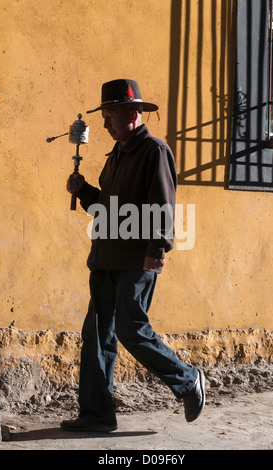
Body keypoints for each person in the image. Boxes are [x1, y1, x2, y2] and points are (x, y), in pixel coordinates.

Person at [60, 79, 205, 433]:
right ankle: (96, 414)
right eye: (104, 115)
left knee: (130, 328)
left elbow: (163, 203)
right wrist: (85, 193)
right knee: (96, 336)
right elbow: (109, 209)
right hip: (106, 258)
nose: (105, 123)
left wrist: (157, 248)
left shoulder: (154, 151)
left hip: (137, 259)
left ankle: (187, 380)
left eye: (110, 115)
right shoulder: (116, 156)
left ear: (133, 113)